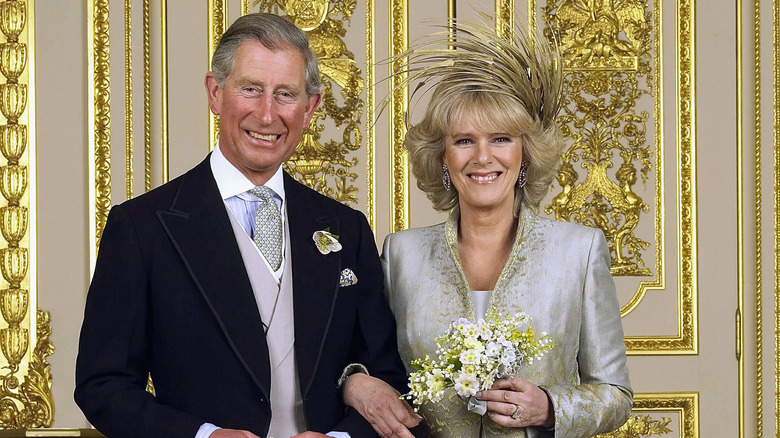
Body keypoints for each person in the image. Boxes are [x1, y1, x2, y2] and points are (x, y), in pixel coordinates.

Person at [74, 13, 419, 438]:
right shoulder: (142, 228)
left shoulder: (347, 229)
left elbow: (387, 375)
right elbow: (102, 387)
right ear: (215, 93)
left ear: (309, 108)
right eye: (251, 89)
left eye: (286, 94)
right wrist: (202, 436)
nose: (267, 113)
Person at [345, 20, 633, 437]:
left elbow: (615, 394)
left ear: (525, 153)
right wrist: (356, 381)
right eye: (464, 141)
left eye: (500, 139)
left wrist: (550, 407)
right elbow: (371, 368)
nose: (482, 157)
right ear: (442, 157)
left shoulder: (579, 250)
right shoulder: (400, 256)